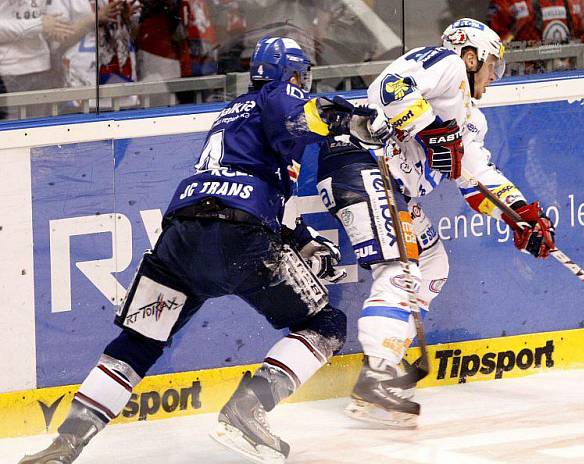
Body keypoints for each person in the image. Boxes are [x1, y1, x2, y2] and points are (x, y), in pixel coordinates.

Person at [18, 36, 391, 464]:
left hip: (182, 235)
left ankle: (65, 444)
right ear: (290, 75)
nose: (301, 85)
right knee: (325, 324)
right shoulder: (279, 94)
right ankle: (248, 408)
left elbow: (251, 193)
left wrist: (303, 241)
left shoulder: (232, 117)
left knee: (139, 342)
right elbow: (305, 116)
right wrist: (356, 121)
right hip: (236, 235)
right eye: (300, 77)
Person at [315, 18, 555, 429]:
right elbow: (391, 90)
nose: (494, 77)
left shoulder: (471, 118)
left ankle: (383, 364)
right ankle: (378, 376)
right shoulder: (445, 64)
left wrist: (520, 217)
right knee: (401, 269)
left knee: (432, 264)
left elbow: (478, 180)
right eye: (491, 64)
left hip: (390, 186)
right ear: (470, 55)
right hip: (362, 162)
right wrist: (433, 130)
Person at [48, 0, 142, 110]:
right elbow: (58, 43)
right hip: (83, 93)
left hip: (126, 91)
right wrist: (94, 19)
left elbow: (136, 37)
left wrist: (126, 20)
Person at [0, 1, 74, 118]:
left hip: (42, 67)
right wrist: (37, 25)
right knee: (12, 132)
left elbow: (46, 21)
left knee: (41, 130)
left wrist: (55, 31)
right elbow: (41, 24)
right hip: (9, 72)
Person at [487, 0, 584, 74]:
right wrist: (515, 31)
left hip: (569, 75)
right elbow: (492, 47)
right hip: (523, 79)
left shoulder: (574, 2)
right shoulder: (507, 2)